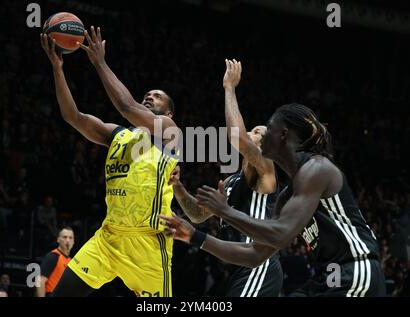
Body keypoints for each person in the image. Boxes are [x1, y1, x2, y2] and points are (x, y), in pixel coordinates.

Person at [161, 102, 386, 297]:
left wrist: (225, 211)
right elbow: (254, 255)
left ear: (283, 134)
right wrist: (194, 236)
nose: (259, 133)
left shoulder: (317, 168)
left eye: (267, 128)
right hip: (329, 276)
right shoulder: (287, 195)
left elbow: (280, 233)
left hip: (356, 270)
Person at [40, 25, 179, 297]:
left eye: (157, 96)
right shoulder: (119, 134)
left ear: (170, 113)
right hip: (109, 237)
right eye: (147, 95)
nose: (149, 97)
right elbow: (73, 117)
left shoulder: (170, 132)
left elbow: (127, 107)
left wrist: (99, 62)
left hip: (148, 243)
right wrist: (57, 68)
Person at [169, 60, 282, 296]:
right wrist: (178, 187)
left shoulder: (266, 170)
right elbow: (197, 215)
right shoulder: (232, 181)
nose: (254, 132)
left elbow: (237, 138)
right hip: (234, 267)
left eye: (260, 132)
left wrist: (229, 88)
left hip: (257, 265)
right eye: (255, 129)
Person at [35, 227, 74, 297]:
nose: (68, 240)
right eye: (65, 237)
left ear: (74, 241)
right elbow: (40, 281)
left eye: (70, 238)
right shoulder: (52, 256)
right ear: (58, 240)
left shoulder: (71, 261)